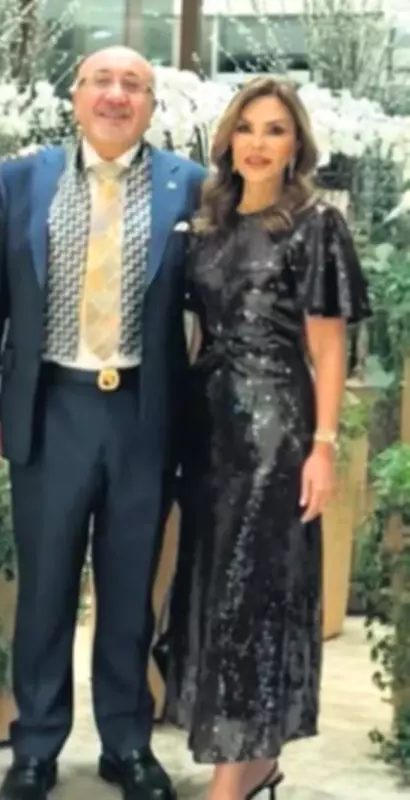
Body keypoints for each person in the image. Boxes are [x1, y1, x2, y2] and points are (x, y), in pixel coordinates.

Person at [0, 46, 205, 800]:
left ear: (151, 105)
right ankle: (36, 746)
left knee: (129, 590)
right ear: (76, 95)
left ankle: (127, 744)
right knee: (46, 591)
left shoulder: (191, 186)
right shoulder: (21, 180)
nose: (116, 95)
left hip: (143, 412)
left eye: (134, 84)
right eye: (102, 80)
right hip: (50, 408)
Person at [162, 77, 371, 800]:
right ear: (228, 140)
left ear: (296, 145)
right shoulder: (209, 221)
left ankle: (229, 782)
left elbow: (329, 346)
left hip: (275, 428)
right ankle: (256, 765)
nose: (258, 142)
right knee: (213, 588)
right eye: (247, 127)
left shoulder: (314, 223)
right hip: (208, 429)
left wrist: (324, 446)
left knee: (251, 596)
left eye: (275, 129)